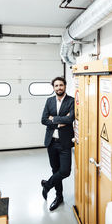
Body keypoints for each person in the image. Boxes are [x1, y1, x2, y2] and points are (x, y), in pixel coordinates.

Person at [41, 76, 75, 211]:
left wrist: (53, 118)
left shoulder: (71, 101)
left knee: (65, 171)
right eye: (56, 86)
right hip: (51, 142)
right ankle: (59, 197)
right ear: (53, 88)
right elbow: (43, 119)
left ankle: (47, 185)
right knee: (55, 170)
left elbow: (70, 118)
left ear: (65, 86)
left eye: (61, 85)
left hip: (65, 142)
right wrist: (60, 121)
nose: (59, 88)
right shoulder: (49, 101)